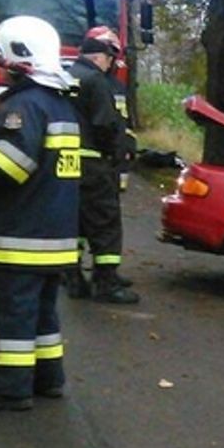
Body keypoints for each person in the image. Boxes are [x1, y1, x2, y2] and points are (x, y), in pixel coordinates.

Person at [0, 16, 81, 410]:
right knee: (42, 318)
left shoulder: (24, 105)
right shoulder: (58, 105)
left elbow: (9, 167)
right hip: (53, 237)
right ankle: (47, 380)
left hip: (21, 238)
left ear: (21, 56)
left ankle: (10, 389)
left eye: (2, 57)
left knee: (10, 316)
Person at [66, 25, 139, 303]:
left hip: (69, 163)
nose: (111, 64)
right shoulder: (95, 81)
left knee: (77, 222)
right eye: (110, 58)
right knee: (105, 222)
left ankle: (73, 277)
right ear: (100, 56)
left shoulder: (68, 76)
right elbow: (106, 125)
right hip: (95, 164)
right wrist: (116, 153)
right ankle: (106, 282)